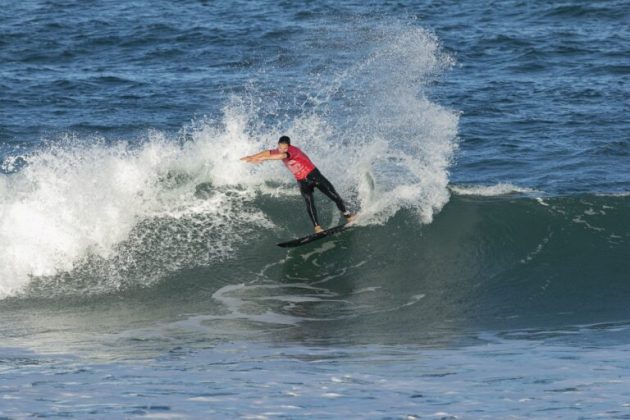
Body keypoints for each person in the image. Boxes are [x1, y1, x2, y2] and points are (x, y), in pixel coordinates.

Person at [241, 136, 354, 233]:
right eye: (280, 147)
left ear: (289, 147)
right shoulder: (278, 150)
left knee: (334, 197)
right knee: (309, 203)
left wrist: (262, 158)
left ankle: (348, 216)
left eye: (284, 148)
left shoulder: (293, 151)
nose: (281, 150)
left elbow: (281, 156)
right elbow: (268, 152)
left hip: (314, 176)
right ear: (278, 145)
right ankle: (317, 228)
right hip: (302, 181)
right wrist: (252, 157)